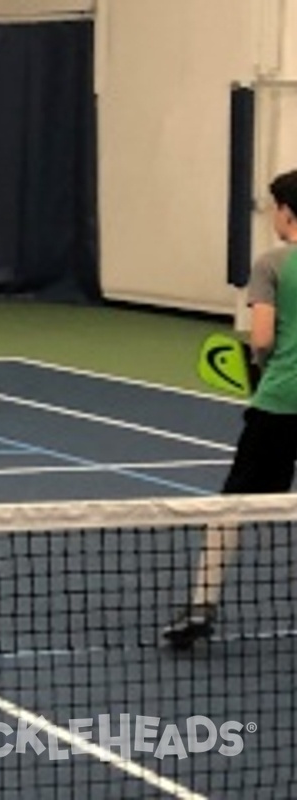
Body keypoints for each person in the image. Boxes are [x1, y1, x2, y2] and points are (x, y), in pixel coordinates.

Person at [162, 169, 297, 649]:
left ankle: (201, 605)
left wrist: (262, 367)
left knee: (231, 507)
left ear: (286, 212)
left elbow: (261, 338)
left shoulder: (272, 264)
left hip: (281, 402)